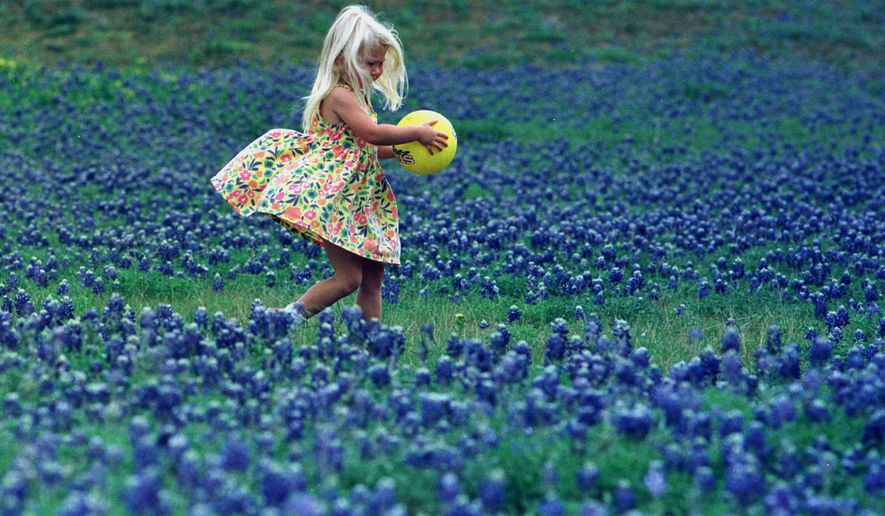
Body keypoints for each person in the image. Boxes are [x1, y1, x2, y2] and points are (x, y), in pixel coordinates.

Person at [210, 5, 448, 323]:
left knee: (372, 280)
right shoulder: (339, 96)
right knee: (349, 278)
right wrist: (415, 132)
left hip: (362, 201)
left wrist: (402, 151)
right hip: (335, 199)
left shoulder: (359, 97)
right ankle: (282, 319)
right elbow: (371, 133)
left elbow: (363, 149)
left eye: (380, 63)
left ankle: (370, 342)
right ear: (341, 59)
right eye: (370, 63)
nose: (377, 70)